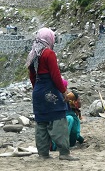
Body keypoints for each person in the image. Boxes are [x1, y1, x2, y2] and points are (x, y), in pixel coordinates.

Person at [25, 27, 79, 161]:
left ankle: (43, 154)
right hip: (50, 90)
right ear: (49, 38)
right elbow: (55, 75)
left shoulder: (33, 53)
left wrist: (37, 90)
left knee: (41, 123)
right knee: (58, 121)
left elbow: (32, 77)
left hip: (38, 91)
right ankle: (64, 153)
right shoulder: (49, 53)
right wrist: (64, 92)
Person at [51, 79, 85, 150]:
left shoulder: (54, 100)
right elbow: (76, 133)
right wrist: (82, 140)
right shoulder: (71, 116)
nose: (66, 91)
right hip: (67, 143)